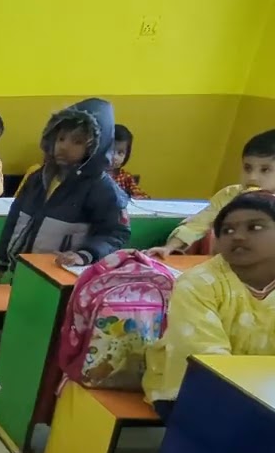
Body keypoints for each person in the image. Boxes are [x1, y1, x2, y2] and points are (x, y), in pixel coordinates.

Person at [142, 191, 275, 421]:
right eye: (228, 231)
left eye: (255, 228)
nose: (239, 237)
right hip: (192, 388)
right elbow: (207, 363)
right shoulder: (198, 283)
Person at [0, 98, 130, 284]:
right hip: (23, 270)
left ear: (96, 147)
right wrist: (1, 262)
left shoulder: (101, 188)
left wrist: (85, 254)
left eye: (77, 142)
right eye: (61, 138)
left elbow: (115, 232)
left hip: (62, 277)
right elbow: (14, 219)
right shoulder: (38, 178)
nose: (64, 146)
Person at [147, 129, 275, 259]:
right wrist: (169, 247)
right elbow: (197, 224)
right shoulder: (229, 195)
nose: (252, 177)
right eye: (247, 168)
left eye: (265, 170)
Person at [108, 124, 148, 199]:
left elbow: (142, 195)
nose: (114, 157)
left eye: (120, 153)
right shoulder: (94, 175)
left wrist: (138, 197)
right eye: (110, 151)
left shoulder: (126, 177)